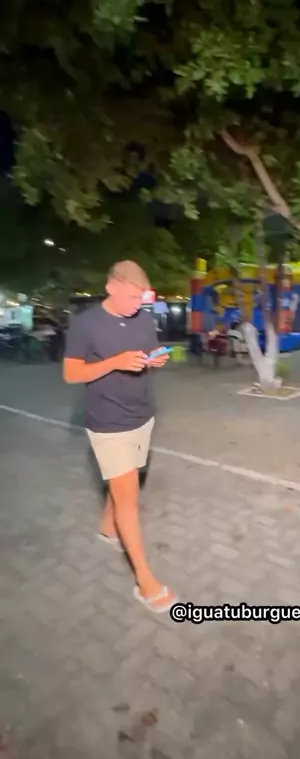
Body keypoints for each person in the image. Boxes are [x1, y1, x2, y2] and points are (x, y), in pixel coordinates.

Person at [63, 260, 177, 614]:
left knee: (126, 480)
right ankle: (145, 581)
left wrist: (155, 360)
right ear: (111, 286)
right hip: (109, 422)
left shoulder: (143, 319)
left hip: (143, 415)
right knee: (128, 498)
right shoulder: (86, 324)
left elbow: (147, 355)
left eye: (140, 299)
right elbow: (71, 374)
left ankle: (107, 528)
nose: (135, 305)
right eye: (130, 297)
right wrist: (115, 361)